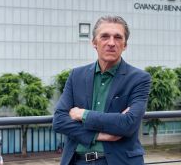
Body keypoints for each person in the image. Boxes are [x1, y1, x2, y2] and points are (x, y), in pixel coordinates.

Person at [53, 15, 151, 165]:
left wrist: (83, 114)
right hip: (77, 161)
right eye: (105, 36)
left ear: (125, 45)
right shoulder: (76, 75)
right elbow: (59, 120)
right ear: (94, 42)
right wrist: (100, 135)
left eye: (118, 37)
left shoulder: (139, 79)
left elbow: (128, 124)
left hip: (119, 161)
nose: (111, 43)